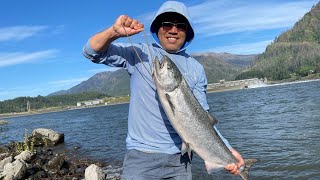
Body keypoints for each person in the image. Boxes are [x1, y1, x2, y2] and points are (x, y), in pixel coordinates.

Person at [83, 1, 244, 179]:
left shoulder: (196, 69)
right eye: (167, 24)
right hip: (141, 159)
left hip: (180, 161)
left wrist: (228, 149)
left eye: (180, 26)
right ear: (158, 28)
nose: (173, 30)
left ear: (187, 32)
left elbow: (203, 118)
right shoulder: (139, 53)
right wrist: (114, 32)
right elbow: (91, 52)